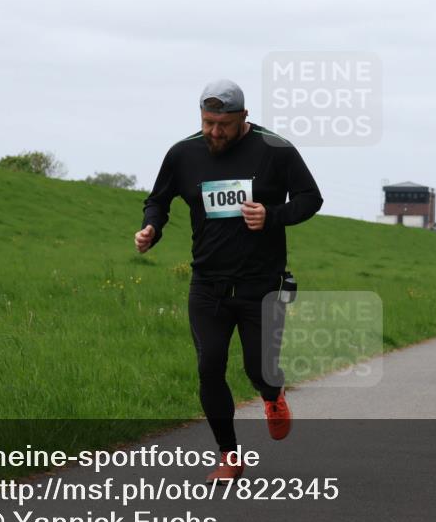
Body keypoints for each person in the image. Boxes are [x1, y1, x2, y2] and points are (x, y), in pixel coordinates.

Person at [137, 79, 323, 482]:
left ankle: (272, 396)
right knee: (209, 365)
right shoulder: (183, 153)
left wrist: (272, 216)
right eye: (207, 123)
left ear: (244, 118)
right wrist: (151, 228)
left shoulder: (276, 150)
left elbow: (311, 198)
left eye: (223, 124)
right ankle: (229, 455)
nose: (214, 133)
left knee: (260, 369)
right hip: (207, 284)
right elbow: (158, 200)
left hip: (262, 285)